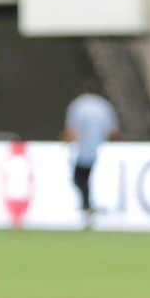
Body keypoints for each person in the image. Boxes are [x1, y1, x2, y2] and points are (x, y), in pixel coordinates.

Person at [63, 82, 119, 224]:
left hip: (84, 150)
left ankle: (87, 205)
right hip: (101, 148)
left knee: (79, 178)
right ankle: (89, 206)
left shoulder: (78, 105)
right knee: (86, 178)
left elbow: (72, 130)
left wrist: (66, 141)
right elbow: (112, 130)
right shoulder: (104, 105)